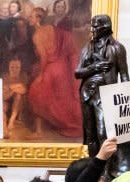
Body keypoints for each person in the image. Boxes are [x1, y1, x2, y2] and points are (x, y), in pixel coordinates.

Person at [74, 15, 129, 158]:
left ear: (105, 27)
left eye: (95, 26)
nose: (92, 30)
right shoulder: (88, 47)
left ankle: (106, 171)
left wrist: (127, 100)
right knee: (90, 135)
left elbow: (124, 76)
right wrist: (95, 67)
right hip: (87, 94)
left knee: (103, 133)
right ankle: (94, 168)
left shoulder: (117, 48)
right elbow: (77, 72)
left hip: (106, 96)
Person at [27, 7, 82, 139]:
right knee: (62, 98)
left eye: (32, 17)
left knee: (35, 93)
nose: (30, 19)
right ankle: (69, 124)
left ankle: (39, 131)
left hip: (51, 69)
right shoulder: (52, 28)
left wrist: (41, 74)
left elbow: (44, 57)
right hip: (63, 68)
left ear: (38, 19)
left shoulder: (37, 35)